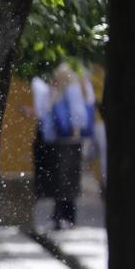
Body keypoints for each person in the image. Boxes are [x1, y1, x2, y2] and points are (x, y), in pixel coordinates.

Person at [31, 63, 93, 229]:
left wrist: (74, 134)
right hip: (61, 139)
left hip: (66, 140)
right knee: (61, 178)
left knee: (66, 179)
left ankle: (66, 217)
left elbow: (76, 115)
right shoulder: (59, 91)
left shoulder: (69, 90)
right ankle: (60, 216)